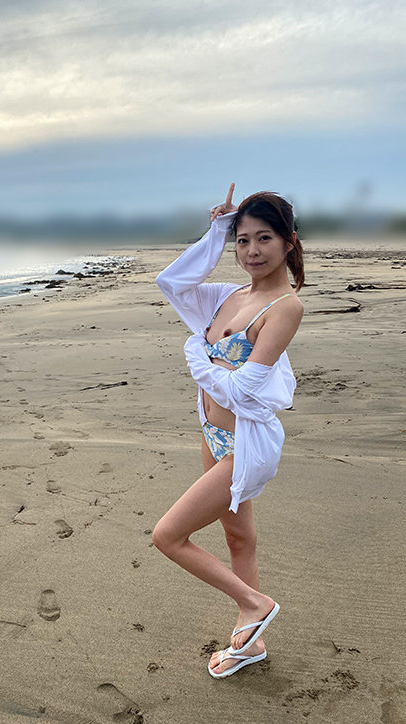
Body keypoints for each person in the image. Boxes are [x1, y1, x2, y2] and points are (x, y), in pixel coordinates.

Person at [153, 183, 304, 678]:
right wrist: (217, 231)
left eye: (264, 238)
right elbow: (172, 282)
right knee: (238, 538)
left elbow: (243, 390)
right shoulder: (229, 295)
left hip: (246, 445)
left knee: (168, 536)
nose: (252, 251)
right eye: (243, 240)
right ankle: (251, 644)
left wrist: (197, 357)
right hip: (212, 435)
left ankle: (255, 604)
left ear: (288, 242)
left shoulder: (283, 307)